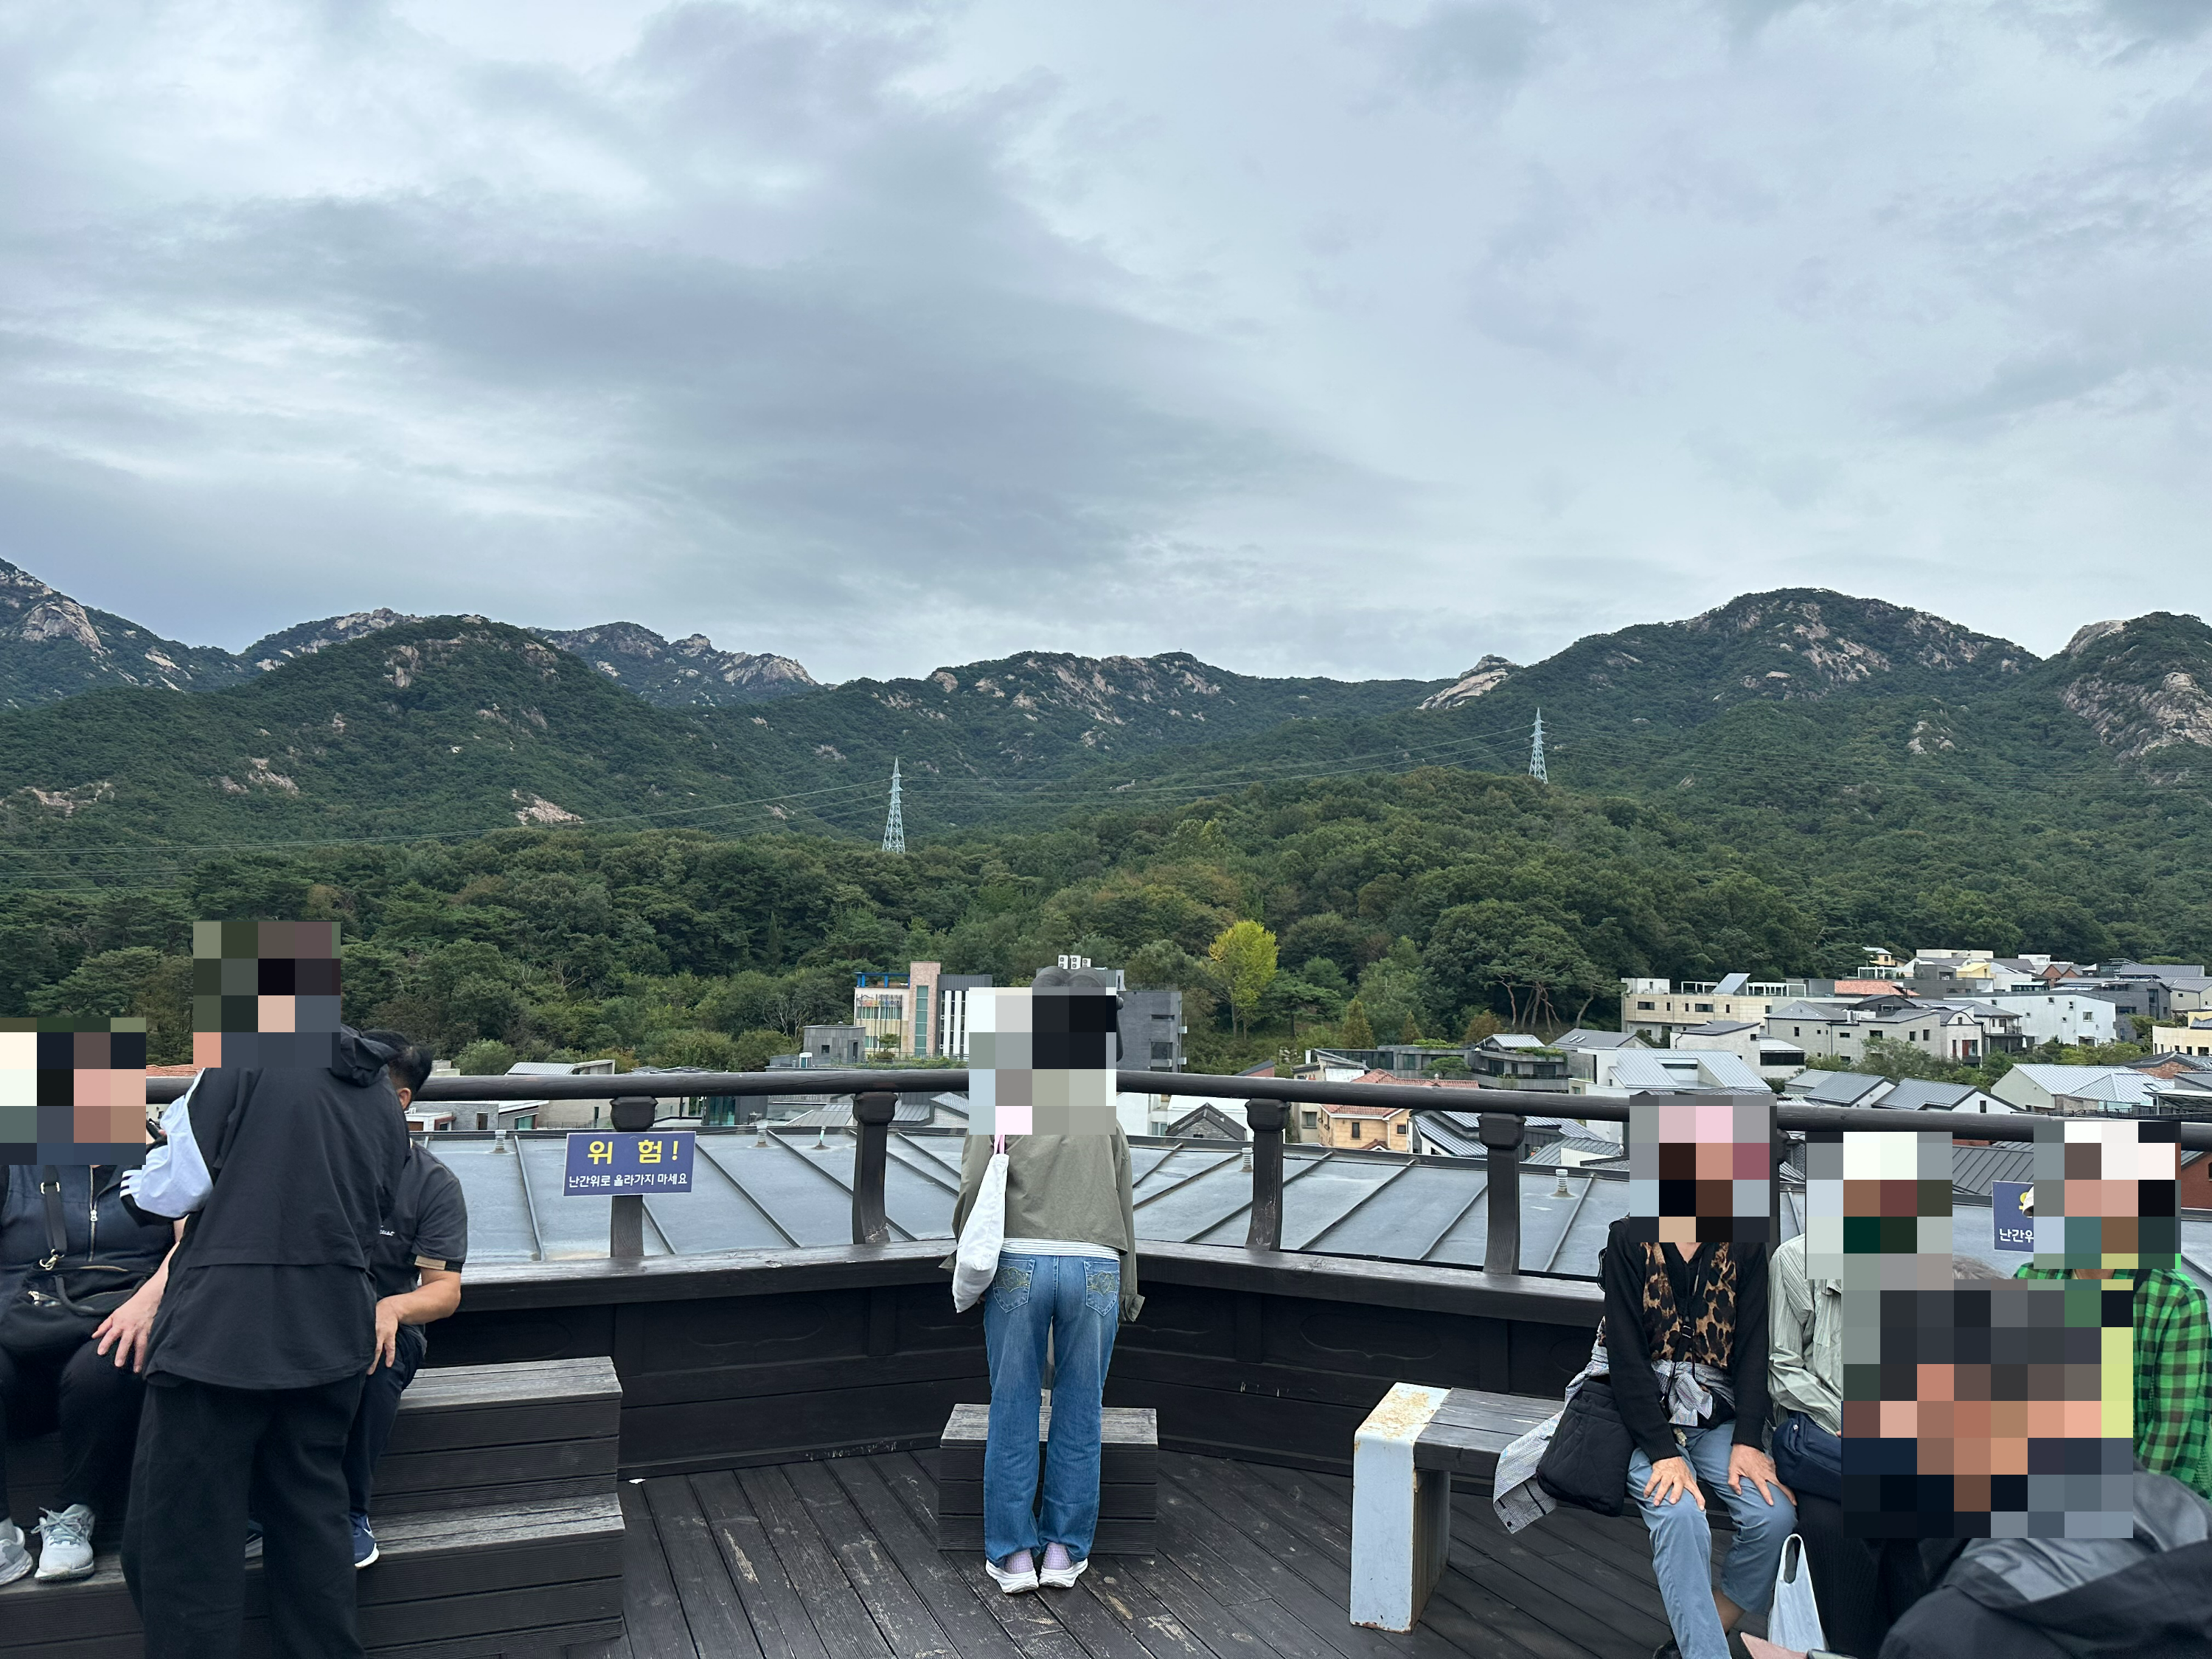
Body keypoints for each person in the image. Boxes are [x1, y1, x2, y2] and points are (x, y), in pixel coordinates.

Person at [117, 1021, 410, 1659]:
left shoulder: (241, 1062)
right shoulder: (380, 1091)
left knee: (182, 1541)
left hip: (221, 1336)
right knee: (312, 1522)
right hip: (334, 1328)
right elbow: (387, 1194)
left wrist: (130, 1185)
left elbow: (172, 1191)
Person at [948, 967, 1143, 1596]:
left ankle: (1013, 1557)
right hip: (1095, 1266)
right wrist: (1130, 1285)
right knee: (1080, 1410)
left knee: (1013, 1409)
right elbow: (1123, 1199)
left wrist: (963, 1251)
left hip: (1020, 1264)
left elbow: (976, 1183)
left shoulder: (1004, 1081)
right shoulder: (1098, 1097)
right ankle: (1063, 1551)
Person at [1770, 1239, 2008, 1656]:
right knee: (1836, 1528)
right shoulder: (1795, 1261)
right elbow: (1781, 1367)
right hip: (1827, 1436)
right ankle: (1854, 1647)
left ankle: (1909, 1641)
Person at [1600, 1215, 1794, 1659]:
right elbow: (1625, 1356)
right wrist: (1663, 1452)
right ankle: (1706, 1653)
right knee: (1680, 1512)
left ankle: (1704, 1632)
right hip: (1634, 1411)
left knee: (1774, 1515)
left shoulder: (1743, 1243)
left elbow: (1752, 1349)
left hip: (1711, 1409)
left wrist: (1747, 1440)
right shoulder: (1630, 1238)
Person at [0, 1164, 178, 1585]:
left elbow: (192, 1244)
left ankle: (73, 1514)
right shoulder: (15, 1164)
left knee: (110, 1360)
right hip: (21, 1328)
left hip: (117, 1322)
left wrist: (149, 1301)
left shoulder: (162, 1162)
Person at [339, 1033, 465, 1568]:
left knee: (379, 1358)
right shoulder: (319, 1162)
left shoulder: (433, 1184)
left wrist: (390, 1308)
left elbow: (444, 1291)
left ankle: (348, 1511)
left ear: (399, 1099)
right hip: (303, 1312)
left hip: (385, 1322)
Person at [2011, 1256, 2211, 1501]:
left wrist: (2129, 1506)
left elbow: (2169, 1424)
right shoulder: (2033, 1277)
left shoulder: (2176, 1297)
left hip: (2136, 1480)